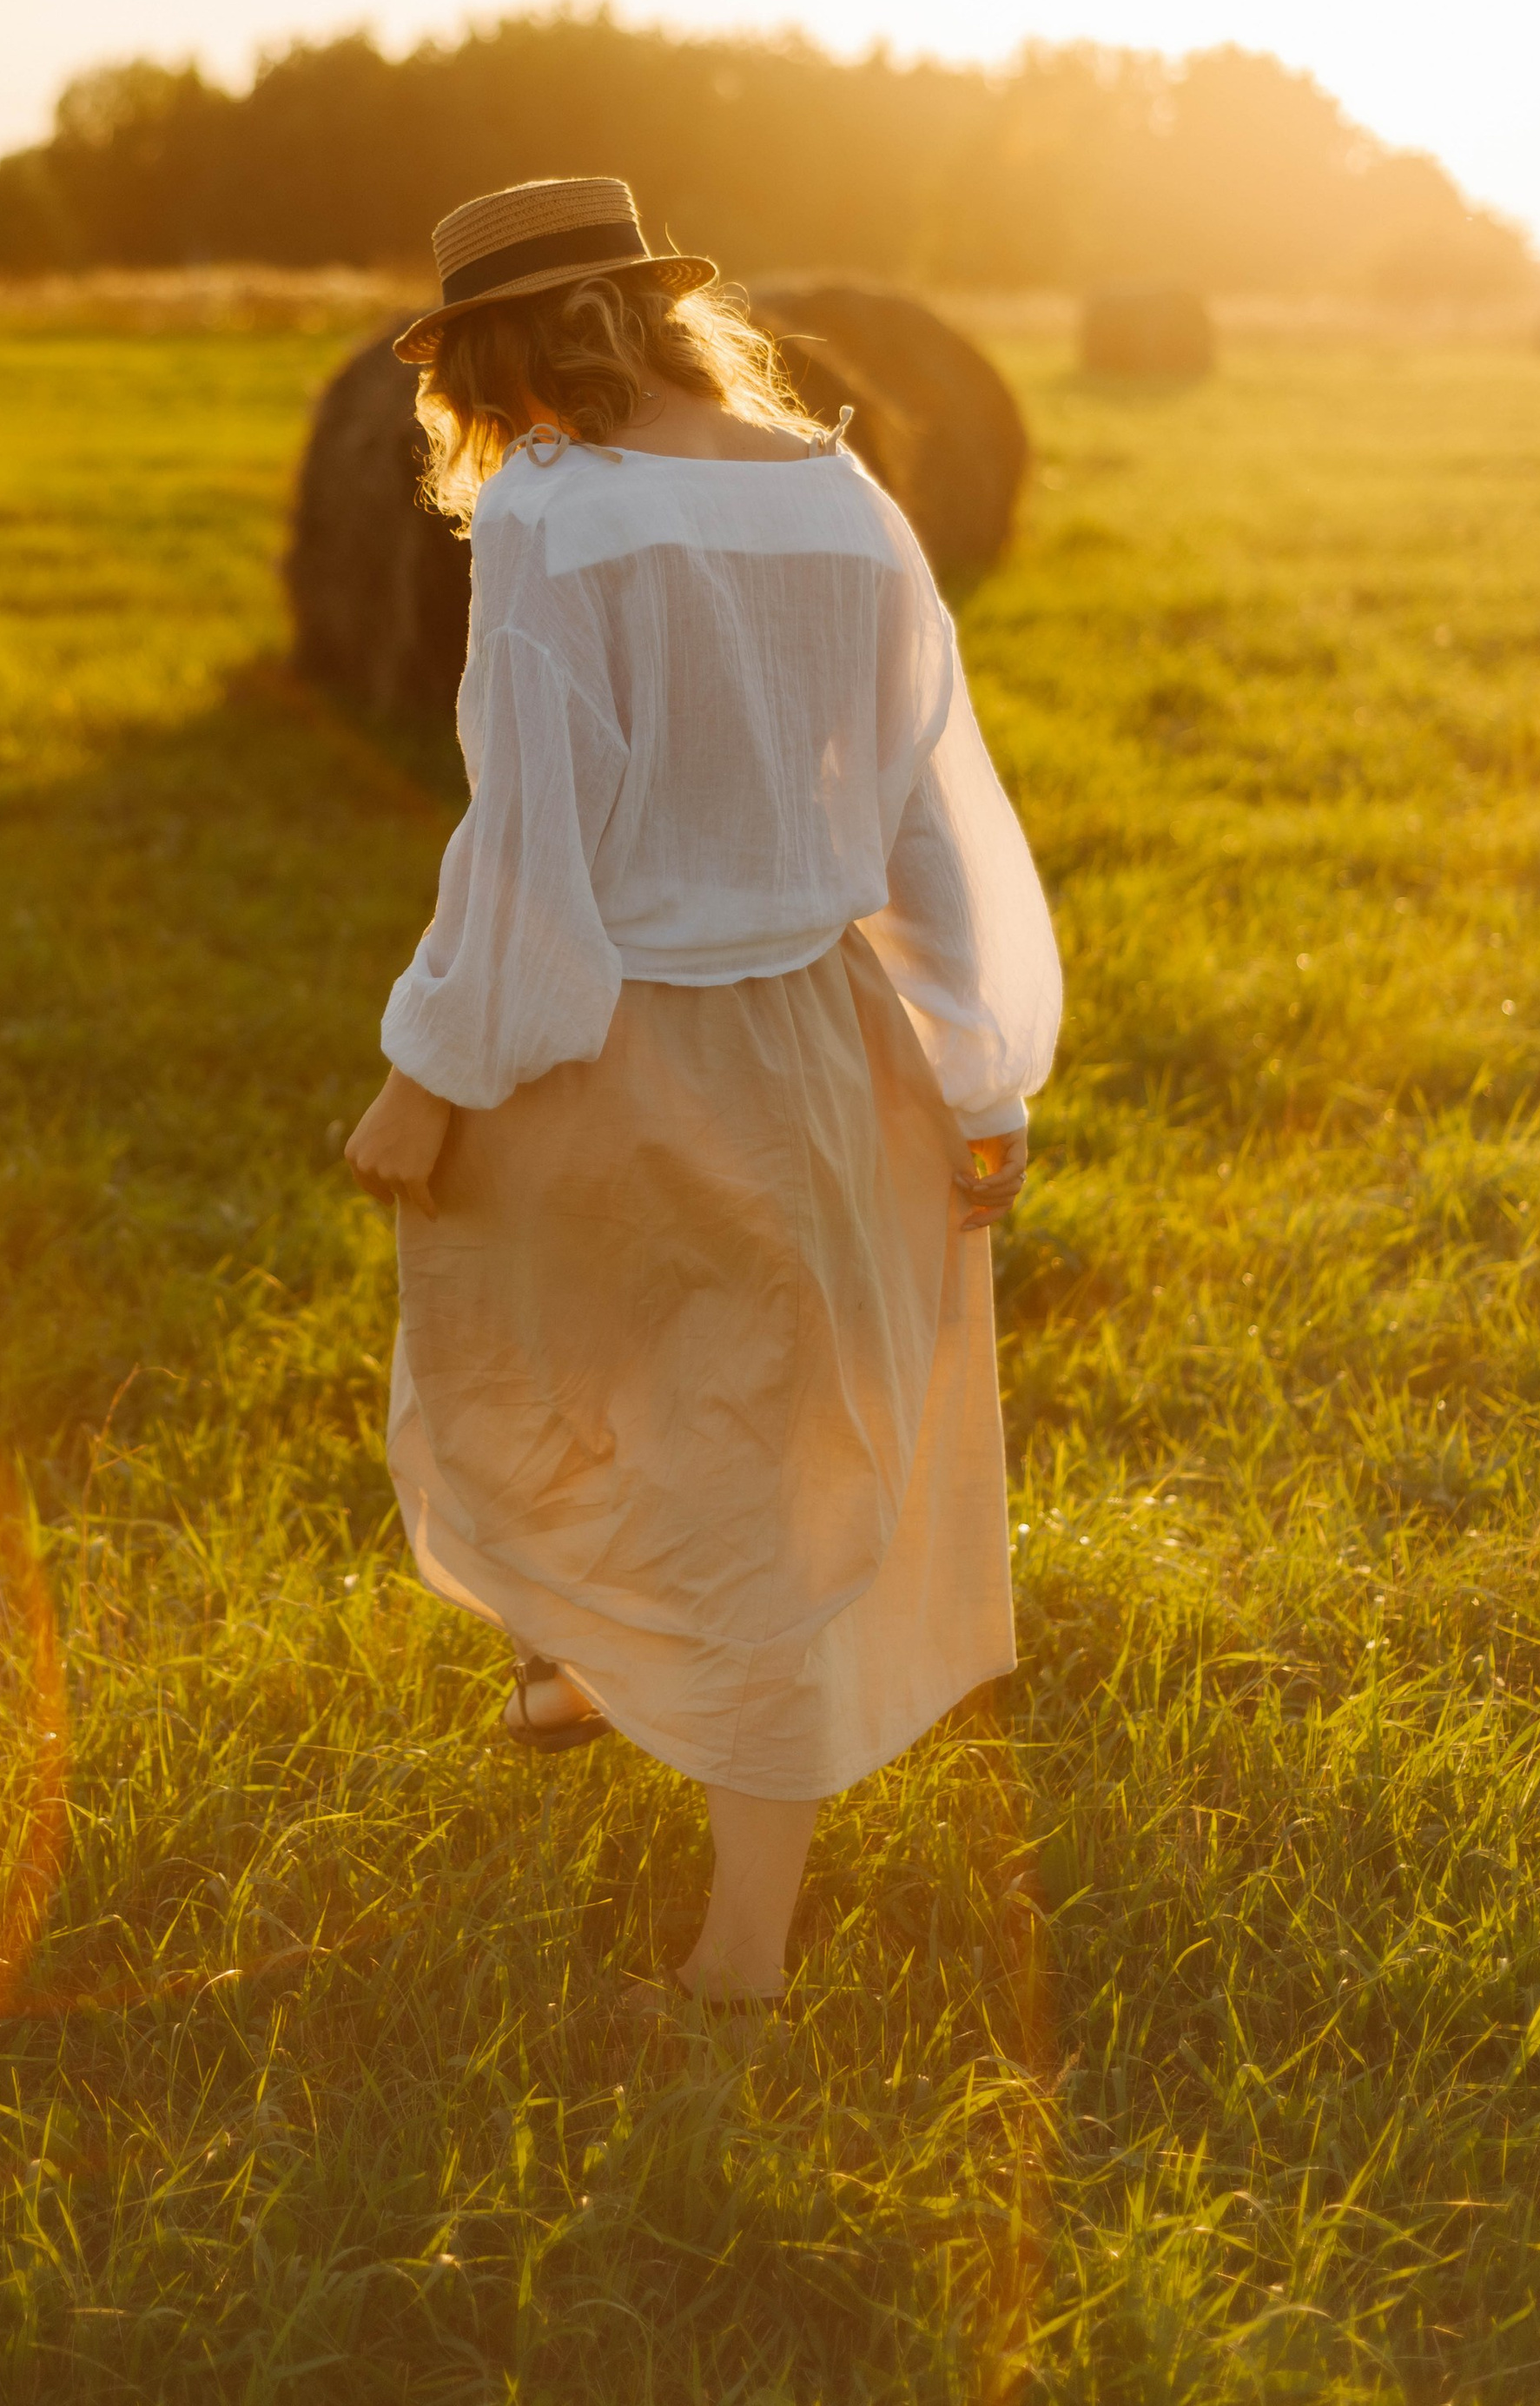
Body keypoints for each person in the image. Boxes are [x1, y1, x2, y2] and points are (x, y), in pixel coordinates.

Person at [344, 174, 1061, 2014]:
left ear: (502, 355)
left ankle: (725, 1947)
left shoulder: (555, 514)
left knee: (544, 1354)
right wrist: (973, 1060)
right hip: (830, 1039)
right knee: (766, 1446)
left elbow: (528, 844)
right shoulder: (842, 494)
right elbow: (926, 807)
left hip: (621, 1036)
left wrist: (428, 1074)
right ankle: (593, 1664)